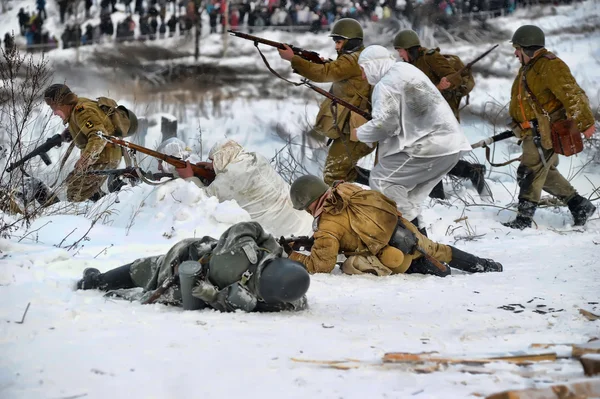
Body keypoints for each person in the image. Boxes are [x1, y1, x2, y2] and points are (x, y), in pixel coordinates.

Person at [352, 45, 471, 231]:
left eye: (363, 70)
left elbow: (386, 125)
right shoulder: (406, 70)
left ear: (373, 65)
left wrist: (360, 133)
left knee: (382, 180)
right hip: (451, 146)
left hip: (430, 146)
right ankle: (422, 247)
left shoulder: (385, 85)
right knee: (408, 199)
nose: (362, 76)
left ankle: (413, 241)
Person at [285, 175, 503, 276]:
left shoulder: (327, 227)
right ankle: (484, 265)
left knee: (354, 265)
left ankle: (431, 269)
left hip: (393, 254)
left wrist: (292, 256)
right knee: (438, 249)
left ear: (310, 203)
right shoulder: (345, 189)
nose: (306, 211)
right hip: (403, 227)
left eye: (305, 206)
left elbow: (320, 266)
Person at [76, 221, 310, 313]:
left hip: (180, 261)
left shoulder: (247, 251)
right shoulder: (272, 297)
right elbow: (294, 302)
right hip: (184, 265)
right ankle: (95, 282)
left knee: (139, 270)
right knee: (145, 272)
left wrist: (268, 245)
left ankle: (94, 281)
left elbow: (249, 227)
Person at [503, 25, 596, 229]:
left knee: (530, 172)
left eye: (517, 48)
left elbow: (571, 93)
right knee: (543, 172)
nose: (515, 53)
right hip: (532, 130)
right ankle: (579, 204)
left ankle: (523, 220)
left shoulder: (550, 65)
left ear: (527, 48)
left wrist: (586, 122)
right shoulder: (530, 67)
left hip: (544, 130)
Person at [277, 18, 374, 185]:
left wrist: (293, 59)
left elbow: (324, 74)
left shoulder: (352, 60)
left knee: (333, 175)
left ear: (351, 41)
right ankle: (381, 184)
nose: (336, 46)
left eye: (339, 42)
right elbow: (336, 70)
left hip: (356, 129)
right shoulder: (358, 57)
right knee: (342, 173)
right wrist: (325, 63)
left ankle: (349, 205)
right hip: (354, 128)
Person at [393, 29, 487, 198]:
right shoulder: (411, 64)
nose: (399, 54)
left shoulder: (430, 58)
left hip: (442, 116)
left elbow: (454, 77)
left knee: (431, 157)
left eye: (400, 51)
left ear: (409, 49)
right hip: (426, 116)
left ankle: (437, 197)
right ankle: (472, 171)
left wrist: (446, 83)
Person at [173, 139, 313, 237]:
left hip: (288, 236)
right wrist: (214, 168)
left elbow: (201, 198)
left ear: (221, 157)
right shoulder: (257, 159)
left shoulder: (230, 178)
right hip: (307, 224)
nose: (211, 163)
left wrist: (189, 177)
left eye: (213, 160)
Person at [41, 84, 124, 203]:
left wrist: (86, 159)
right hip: (101, 156)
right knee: (73, 183)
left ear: (62, 103)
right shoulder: (77, 108)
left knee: (76, 192)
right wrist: (65, 136)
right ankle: (106, 204)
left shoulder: (81, 111)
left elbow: (98, 135)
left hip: (104, 157)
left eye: (54, 108)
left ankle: (114, 207)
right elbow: (85, 127)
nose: (54, 113)